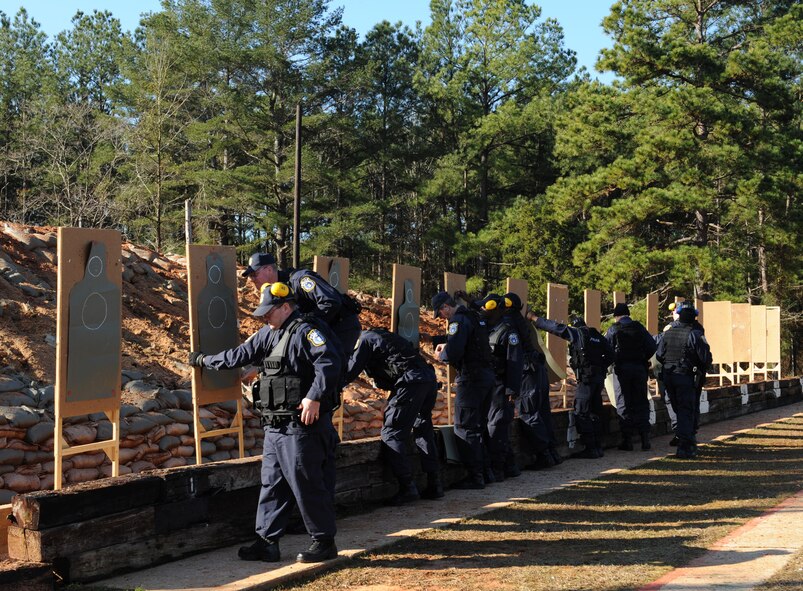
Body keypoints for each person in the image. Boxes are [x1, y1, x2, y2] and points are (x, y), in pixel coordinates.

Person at [188, 282, 343, 564]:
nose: (264, 317)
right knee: (272, 484)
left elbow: (330, 363)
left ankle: (324, 541)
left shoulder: (308, 331)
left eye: (268, 312)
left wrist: (314, 397)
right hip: (275, 426)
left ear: (286, 307)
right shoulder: (269, 333)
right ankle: (267, 542)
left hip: (301, 425)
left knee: (306, 483)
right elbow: (240, 355)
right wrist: (204, 361)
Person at [344, 328, 443, 504]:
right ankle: (435, 483)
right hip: (427, 378)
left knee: (391, 434)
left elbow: (351, 370)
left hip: (411, 382)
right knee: (423, 427)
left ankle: (408, 488)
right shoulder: (383, 335)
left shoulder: (364, 340)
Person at [431, 291, 494, 489]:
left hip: (471, 378)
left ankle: (475, 476)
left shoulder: (457, 321)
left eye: (440, 313)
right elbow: (470, 341)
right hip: (486, 377)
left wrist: (443, 355)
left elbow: (456, 349)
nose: (442, 317)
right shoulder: (474, 316)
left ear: (446, 307)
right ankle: (486, 472)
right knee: (479, 425)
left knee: (464, 427)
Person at [527, 313, 614, 459]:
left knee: (581, 411)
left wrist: (535, 319)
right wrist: (599, 368)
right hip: (598, 380)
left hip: (586, 380)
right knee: (595, 411)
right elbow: (611, 355)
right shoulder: (598, 336)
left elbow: (557, 328)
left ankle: (591, 448)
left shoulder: (579, 333)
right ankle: (598, 446)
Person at [242, 253, 362, 354]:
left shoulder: (299, 280)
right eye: (250, 276)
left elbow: (331, 301)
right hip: (322, 327)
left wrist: (304, 322)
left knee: (330, 371)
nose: (251, 279)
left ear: (268, 270)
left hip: (341, 326)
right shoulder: (273, 291)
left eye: (254, 274)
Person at [503, 293, 561, 468]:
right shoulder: (519, 320)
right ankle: (552, 452)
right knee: (542, 412)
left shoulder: (507, 322)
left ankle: (544, 455)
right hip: (536, 369)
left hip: (527, 371)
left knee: (528, 413)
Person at [656, 302, 712, 458]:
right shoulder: (695, 334)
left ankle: (684, 440)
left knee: (677, 410)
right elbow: (705, 357)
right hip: (685, 377)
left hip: (669, 377)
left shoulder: (668, 333)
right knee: (686, 411)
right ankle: (685, 446)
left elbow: (660, 355)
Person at [477, 294, 523, 480]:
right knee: (496, 426)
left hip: (501, 384)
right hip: (489, 383)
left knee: (496, 426)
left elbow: (515, 362)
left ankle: (498, 469)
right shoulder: (487, 328)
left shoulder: (507, 332)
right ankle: (510, 465)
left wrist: (512, 389)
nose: (482, 311)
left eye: (486, 308)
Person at [605, 303, 657, 451]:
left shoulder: (613, 329)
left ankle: (627, 440)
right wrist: (643, 358)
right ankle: (645, 439)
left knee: (623, 403)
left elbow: (607, 348)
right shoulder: (639, 327)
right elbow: (652, 346)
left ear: (616, 316)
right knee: (641, 401)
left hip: (622, 370)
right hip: (639, 369)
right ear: (628, 314)